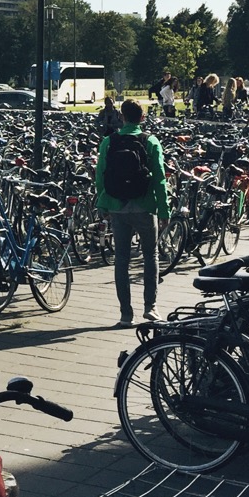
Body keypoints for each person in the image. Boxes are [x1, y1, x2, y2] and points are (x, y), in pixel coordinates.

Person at [95, 98, 171, 326]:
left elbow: (100, 176)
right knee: (151, 256)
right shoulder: (151, 142)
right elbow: (160, 179)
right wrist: (164, 209)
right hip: (145, 205)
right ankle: (151, 307)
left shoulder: (108, 142)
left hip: (118, 206)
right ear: (142, 118)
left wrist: (103, 204)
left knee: (121, 260)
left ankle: (125, 314)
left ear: (122, 117)